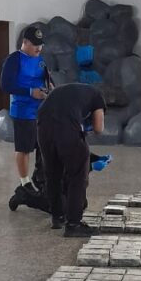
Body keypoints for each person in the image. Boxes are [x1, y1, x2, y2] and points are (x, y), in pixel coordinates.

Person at [36, 82, 106, 237]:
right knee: (78, 174)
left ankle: (57, 217)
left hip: (43, 126)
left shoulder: (69, 90)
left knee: (53, 174)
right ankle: (74, 224)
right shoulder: (97, 96)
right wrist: (87, 128)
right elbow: (98, 128)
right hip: (66, 127)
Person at [0, 25, 50, 196]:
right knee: (24, 148)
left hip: (41, 111)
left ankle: (41, 178)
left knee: (42, 147)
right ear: (25, 42)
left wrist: (50, 87)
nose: (39, 48)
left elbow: (47, 78)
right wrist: (30, 92)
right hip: (23, 111)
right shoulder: (14, 60)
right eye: (35, 44)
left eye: (41, 44)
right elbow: (6, 85)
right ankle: (24, 182)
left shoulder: (40, 60)